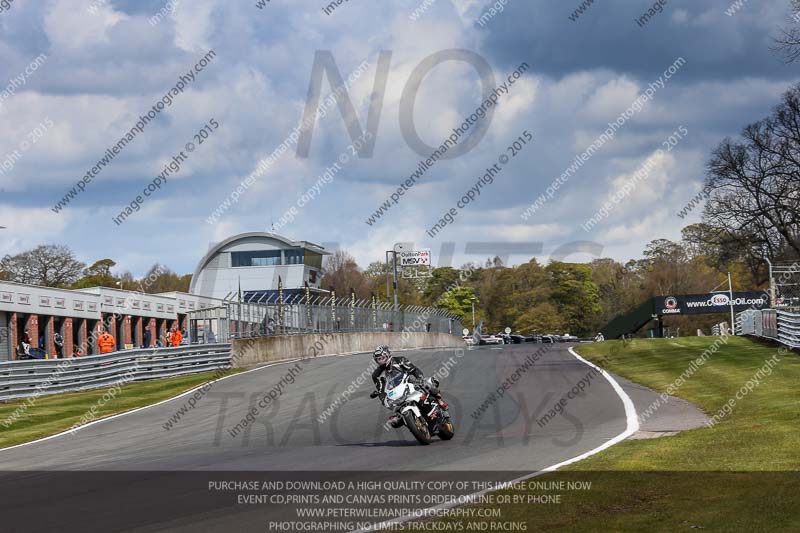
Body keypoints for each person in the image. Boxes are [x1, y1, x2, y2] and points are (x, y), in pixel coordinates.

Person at [371, 345, 449, 412]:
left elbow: (414, 370)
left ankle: (440, 400)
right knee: (393, 420)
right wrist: (382, 397)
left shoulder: (399, 360)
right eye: (378, 359)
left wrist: (420, 378)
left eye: (382, 358)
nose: (380, 361)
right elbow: (380, 389)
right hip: (396, 392)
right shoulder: (376, 375)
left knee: (429, 382)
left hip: (409, 384)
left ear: (387, 355)